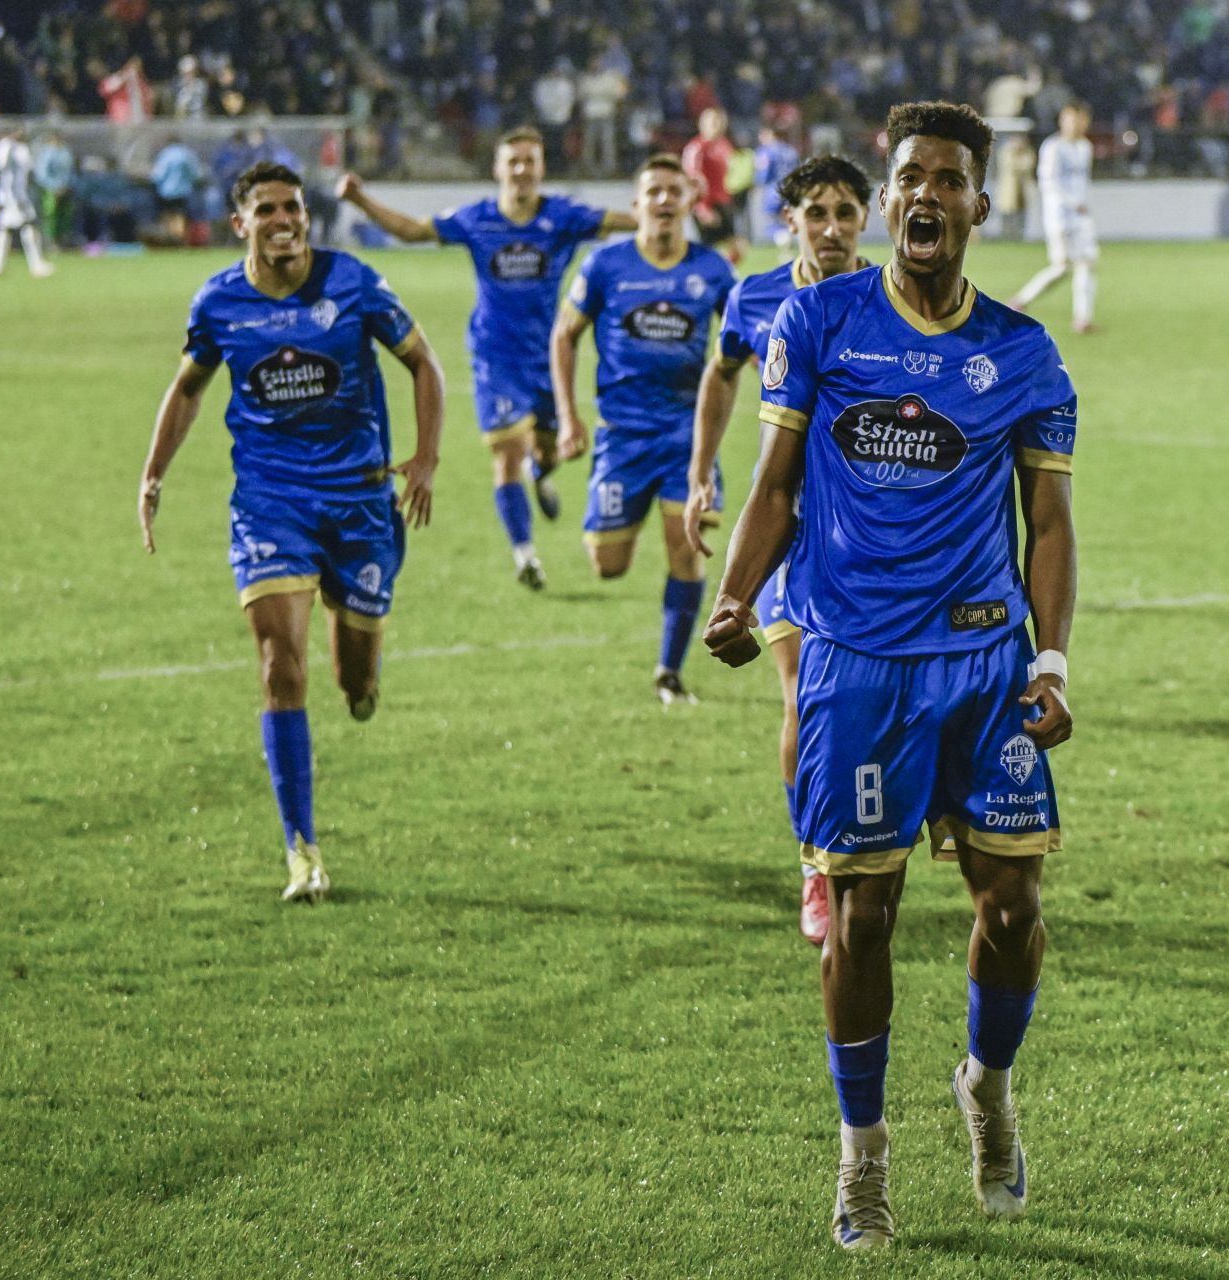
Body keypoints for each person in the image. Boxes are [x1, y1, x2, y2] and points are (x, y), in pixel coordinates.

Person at [703, 101, 1078, 1250]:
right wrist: (733, 591)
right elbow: (771, 484)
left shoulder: (1022, 350)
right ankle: (861, 1160)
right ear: (891, 200)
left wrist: (1053, 658)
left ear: (977, 204)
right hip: (856, 662)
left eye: (946, 179)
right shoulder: (817, 320)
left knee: (1012, 907)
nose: (923, 193)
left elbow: (1050, 522)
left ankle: (989, 1088)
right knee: (863, 917)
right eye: (907, 176)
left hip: (982, 659)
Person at [136, 161, 445, 902]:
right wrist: (152, 475)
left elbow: (424, 363)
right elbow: (187, 388)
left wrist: (426, 458)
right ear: (240, 223)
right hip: (270, 503)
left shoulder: (355, 283)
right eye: (269, 210)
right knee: (282, 663)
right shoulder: (219, 303)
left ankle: (363, 677)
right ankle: (302, 849)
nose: (286, 220)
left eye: (295, 208)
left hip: (362, 500)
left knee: (356, 679)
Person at [683, 154, 873, 946]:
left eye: (846, 214)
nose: (831, 229)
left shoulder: (892, 296)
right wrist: (701, 476)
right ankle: (816, 871)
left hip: (872, 534)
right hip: (785, 529)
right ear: (787, 219)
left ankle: (870, 835)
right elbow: (720, 375)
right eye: (816, 214)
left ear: (870, 218)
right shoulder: (755, 295)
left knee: (869, 705)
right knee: (803, 694)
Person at [338, 128, 636, 590]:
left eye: (529, 162)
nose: (521, 170)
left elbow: (622, 221)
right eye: (512, 161)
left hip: (548, 355)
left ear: (541, 169)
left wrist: (663, 215)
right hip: (495, 357)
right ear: (498, 169)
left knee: (550, 450)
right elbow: (414, 231)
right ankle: (526, 556)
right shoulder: (477, 219)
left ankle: (543, 474)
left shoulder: (563, 216)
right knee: (506, 455)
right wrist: (360, 200)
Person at [553, 155, 736, 704]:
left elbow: (742, 342)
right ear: (636, 206)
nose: (661, 201)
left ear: (687, 202)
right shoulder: (605, 265)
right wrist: (568, 417)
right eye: (651, 191)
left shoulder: (713, 270)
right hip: (622, 437)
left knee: (687, 550)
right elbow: (565, 335)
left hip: (687, 435)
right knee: (608, 566)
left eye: (671, 192)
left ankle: (668, 671)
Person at [1007, 102, 1098, 333]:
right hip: (1060, 217)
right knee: (1062, 267)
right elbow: (1048, 183)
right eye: (1071, 119)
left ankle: (1082, 319)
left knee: (1085, 263)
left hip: (1081, 217)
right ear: (1062, 121)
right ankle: (1020, 301)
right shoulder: (1053, 147)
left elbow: (1082, 182)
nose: (1076, 124)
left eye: (1080, 119)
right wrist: (1072, 202)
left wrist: (1082, 204)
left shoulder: (1085, 147)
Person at [682, 107, 745, 264]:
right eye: (713, 121)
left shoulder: (725, 145)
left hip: (723, 202)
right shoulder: (696, 148)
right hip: (706, 204)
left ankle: (719, 274)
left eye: (720, 121)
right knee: (707, 250)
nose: (717, 125)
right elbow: (692, 180)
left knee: (738, 248)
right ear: (702, 124)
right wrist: (702, 209)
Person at [0, 128, 51, 278]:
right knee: (26, 226)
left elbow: (22, 175)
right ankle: (36, 265)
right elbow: (7, 172)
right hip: (14, 196)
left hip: (15, 194)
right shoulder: (9, 147)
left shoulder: (18, 149)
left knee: (6, 228)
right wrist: (14, 197)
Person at [752, 125, 800, 251]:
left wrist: (758, 185)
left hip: (773, 190)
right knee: (786, 217)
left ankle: (782, 238)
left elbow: (764, 173)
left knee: (770, 219)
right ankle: (788, 240)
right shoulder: (791, 150)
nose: (760, 138)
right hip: (791, 189)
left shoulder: (766, 151)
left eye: (763, 135)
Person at [151, 136, 205, 243]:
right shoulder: (186, 154)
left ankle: (169, 238)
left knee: (167, 214)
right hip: (183, 191)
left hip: (166, 191)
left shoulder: (165, 154)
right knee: (181, 215)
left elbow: (158, 175)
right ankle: (180, 237)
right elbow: (195, 174)